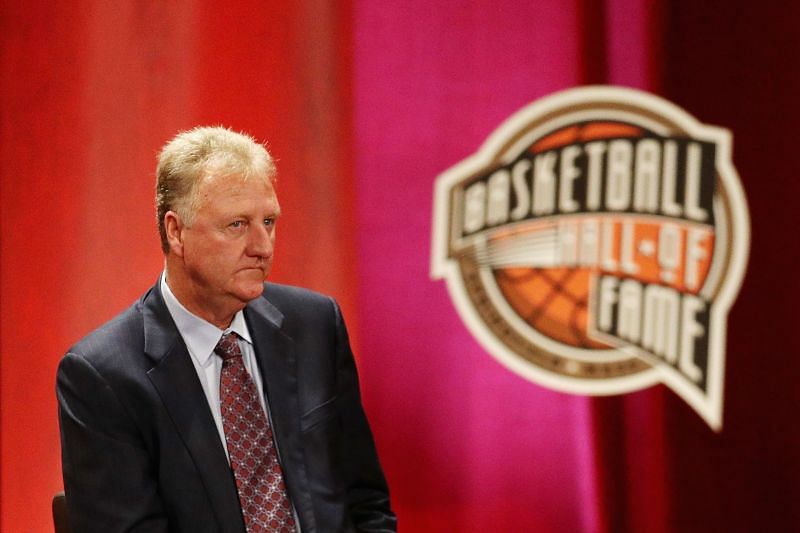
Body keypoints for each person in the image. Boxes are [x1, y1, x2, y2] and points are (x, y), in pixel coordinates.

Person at [56, 126, 396, 532]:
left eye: (268, 221)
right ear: (175, 231)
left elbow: (366, 503)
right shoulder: (103, 377)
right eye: (237, 225)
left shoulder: (315, 326)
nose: (263, 246)